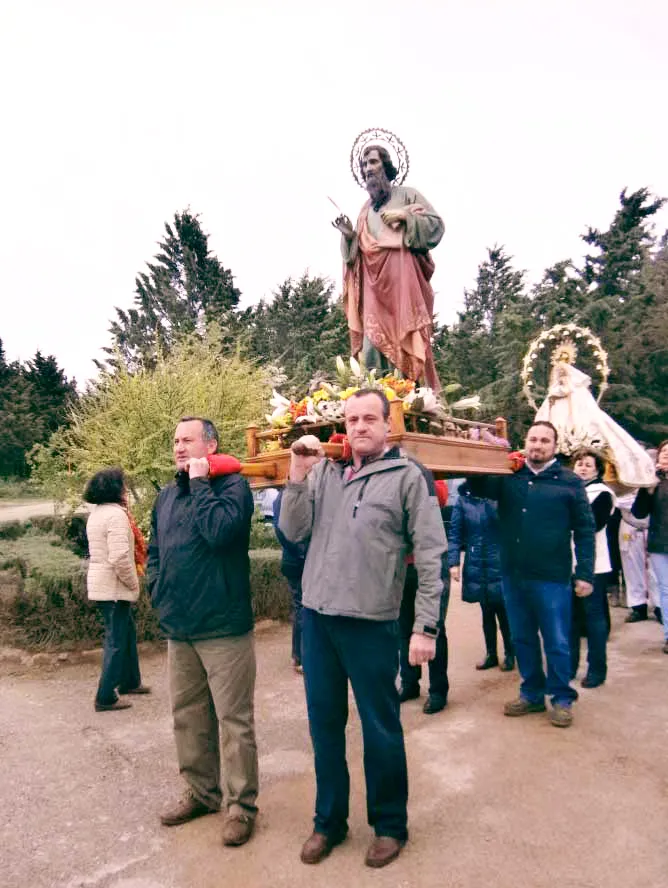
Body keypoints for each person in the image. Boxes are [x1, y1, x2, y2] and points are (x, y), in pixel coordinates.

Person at [278, 389, 447, 868]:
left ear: (387, 422)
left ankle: (390, 824)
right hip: (318, 619)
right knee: (324, 725)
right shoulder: (325, 473)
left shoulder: (407, 476)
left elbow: (432, 553)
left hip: (372, 623)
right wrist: (297, 474)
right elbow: (292, 531)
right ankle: (328, 821)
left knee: (380, 727)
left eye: (369, 418)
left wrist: (426, 626)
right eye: (351, 419)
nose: (359, 427)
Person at [147, 417, 259, 847]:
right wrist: (158, 589)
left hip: (223, 625)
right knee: (188, 715)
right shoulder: (164, 496)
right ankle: (201, 792)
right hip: (180, 625)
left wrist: (199, 483)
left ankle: (240, 806)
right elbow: (156, 549)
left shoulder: (232, 488)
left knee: (234, 720)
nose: (178, 446)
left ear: (210, 446)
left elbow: (219, 533)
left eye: (187, 440)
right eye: (175, 440)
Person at [482, 421, 595, 728]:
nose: (538, 445)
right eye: (533, 439)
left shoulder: (570, 482)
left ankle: (560, 698)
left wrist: (585, 572)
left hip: (552, 577)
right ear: (525, 441)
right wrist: (478, 453)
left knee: (557, 640)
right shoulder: (509, 476)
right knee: (522, 638)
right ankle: (531, 693)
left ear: (554, 447)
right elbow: (475, 486)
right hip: (513, 575)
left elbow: (585, 531)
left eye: (545, 440)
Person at [334, 142, 444, 389]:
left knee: (407, 342)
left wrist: (406, 215)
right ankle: (378, 404)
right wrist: (350, 236)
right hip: (374, 290)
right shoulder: (364, 211)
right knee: (372, 346)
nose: (368, 169)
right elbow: (355, 258)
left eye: (373, 162)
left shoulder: (407, 195)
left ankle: (411, 404)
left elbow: (436, 226)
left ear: (386, 165)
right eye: (364, 165)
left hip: (403, 288)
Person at [84, 467, 149, 712]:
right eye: (123, 485)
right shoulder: (116, 515)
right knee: (116, 640)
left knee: (126, 633)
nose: (126, 490)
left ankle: (130, 681)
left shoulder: (98, 513)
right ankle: (105, 697)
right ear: (115, 489)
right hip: (113, 587)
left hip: (104, 584)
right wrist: (133, 583)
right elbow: (120, 557)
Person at [447, 476, 514, 673]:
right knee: (486, 610)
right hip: (476, 560)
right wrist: (453, 562)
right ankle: (491, 653)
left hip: (499, 559)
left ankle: (511, 652)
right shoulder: (463, 500)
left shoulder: (499, 497)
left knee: (503, 610)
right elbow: (455, 532)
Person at [398, 479, 450, 714]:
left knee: (433, 628)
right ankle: (410, 683)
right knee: (403, 628)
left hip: (427, 566)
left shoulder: (427, 475)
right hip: (400, 567)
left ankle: (438, 690)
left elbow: (439, 496)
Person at [570, 449, 615, 688]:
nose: (583, 468)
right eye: (579, 464)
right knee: (571, 618)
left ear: (597, 469)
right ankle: (569, 666)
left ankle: (597, 669)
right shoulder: (569, 489)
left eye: (588, 464)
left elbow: (592, 525)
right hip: (568, 562)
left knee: (594, 618)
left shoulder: (603, 494)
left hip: (594, 565)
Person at [632, 440, 668, 653]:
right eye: (663, 451)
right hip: (659, 543)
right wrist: (648, 490)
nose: (665, 455)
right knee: (665, 590)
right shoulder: (652, 482)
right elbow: (639, 513)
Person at [273, 489, 308, 673]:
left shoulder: (281, 496)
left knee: (299, 606)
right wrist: (302, 552)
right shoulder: (287, 496)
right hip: (297, 561)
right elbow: (284, 532)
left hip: (292, 560)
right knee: (302, 607)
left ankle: (297, 655)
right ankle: (301, 656)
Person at [617, 491, 660, 622]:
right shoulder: (625, 476)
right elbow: (619, 498)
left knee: (657, 570)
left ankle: (660, 607)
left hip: (656, 527)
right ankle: (638, 607)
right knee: (632, 568)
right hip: (631, 525)